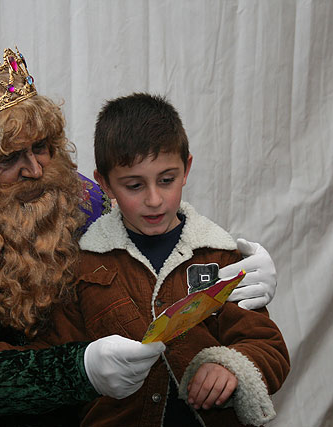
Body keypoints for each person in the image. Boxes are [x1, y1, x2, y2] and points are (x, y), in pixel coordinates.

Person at [0, 49, 277, 426]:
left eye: (41, 147)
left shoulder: (77, 198)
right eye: (9, 157)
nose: (35, 170)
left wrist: (231, 260)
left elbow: (150, 227)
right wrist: (77, 370)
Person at [30, 93, 290, 426]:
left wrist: (230, 366)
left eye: (167, 180)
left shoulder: (219, 255)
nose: (154, 199)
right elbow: (52, 360)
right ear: (104, 183)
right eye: (134, 185)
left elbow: (269, 347)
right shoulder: (82, 267)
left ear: (187, 169)